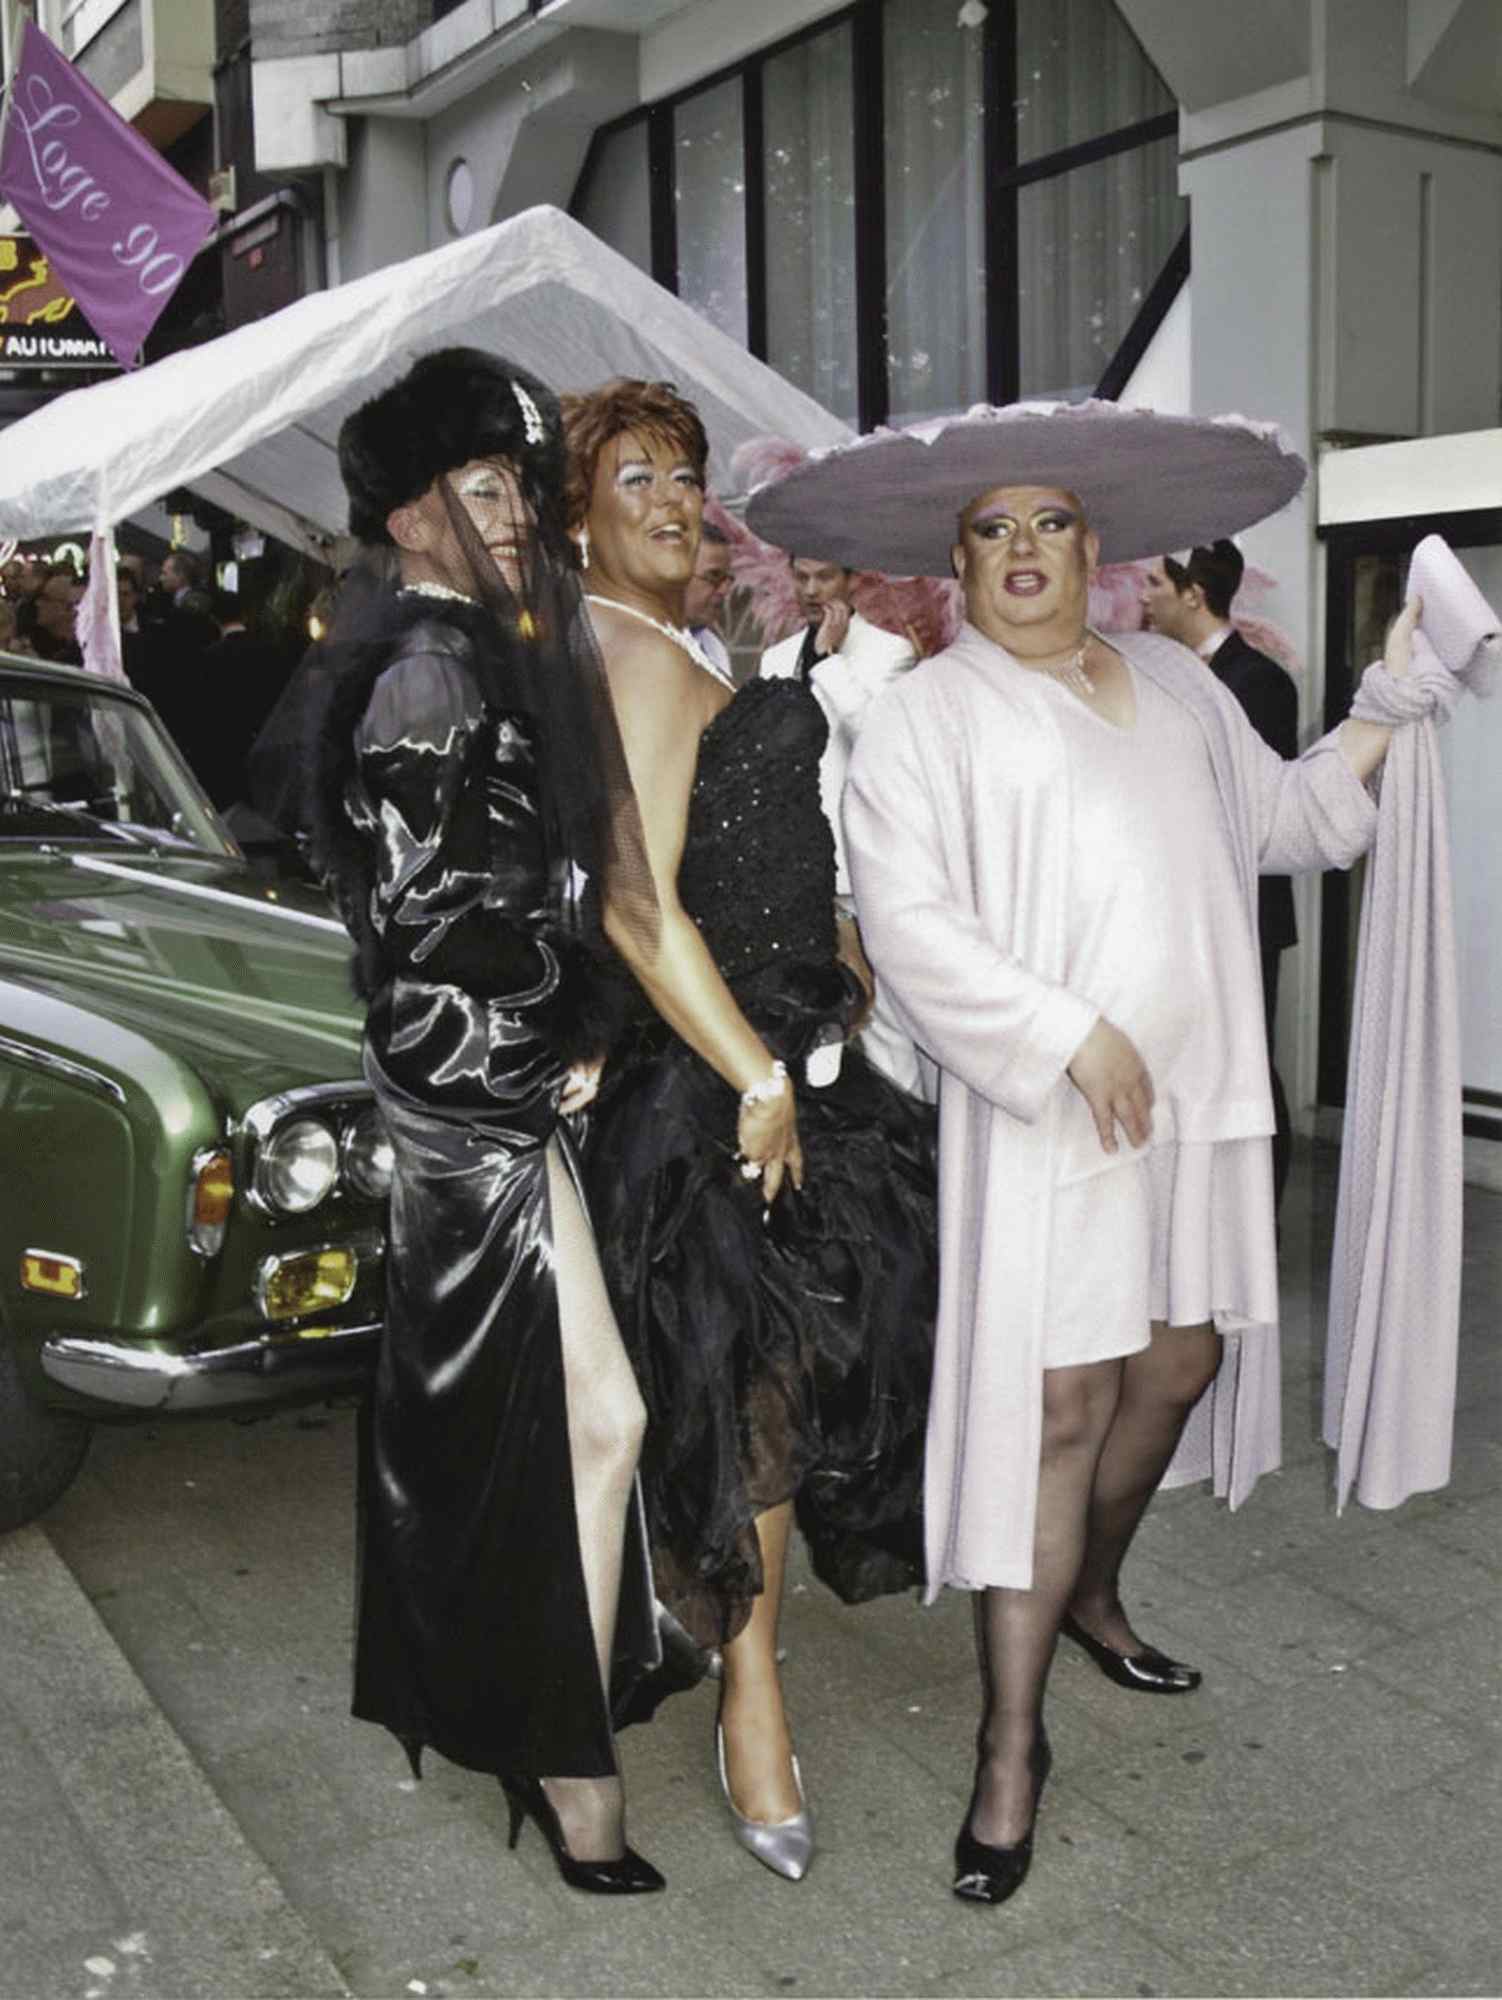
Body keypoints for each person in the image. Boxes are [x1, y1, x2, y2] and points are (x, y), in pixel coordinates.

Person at [748, 400, 1414, 1907]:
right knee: (1061, 1406)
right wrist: (1065, 1035)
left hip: (1201, 1098)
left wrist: (1386, 702)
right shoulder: (927, 716)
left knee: (1177, 1365)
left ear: (1092, 546)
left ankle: (1092, 1588)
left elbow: (1291, 819)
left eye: (1048, 523)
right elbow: (908, 927)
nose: (1022, 550)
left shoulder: (1174, 681)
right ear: (954, 563)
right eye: (991, 529)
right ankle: (1009, 1744)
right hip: (1051, 1108)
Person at [565, 378, 937, 1883]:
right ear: (577, 516)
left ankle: (729, 1657)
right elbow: (633, 900)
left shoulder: (683, 644)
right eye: (633, 477)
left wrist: (829, 942)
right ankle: (752, 1696)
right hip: (717, 1084)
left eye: (684, 475)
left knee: (804, 1366)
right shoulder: (622, 652)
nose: (671, 500)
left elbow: (731, 859)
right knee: (759, 1384)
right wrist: (754, 1077)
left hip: (781, 1051)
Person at [308, 347, 666, 1895]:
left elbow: (505, 896)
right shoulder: (430, 674)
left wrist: (567, 1016)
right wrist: (555, 1033)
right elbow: (433, 932)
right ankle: (561, 1751)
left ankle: (550, 1729)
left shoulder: (467, 653)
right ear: (408, 514)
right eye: (479, 487)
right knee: (577, 1421)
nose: (514, 512)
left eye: (519, 484)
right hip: (472, 1105)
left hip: (489, 1094)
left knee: (566, 1424)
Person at [1142, 540, 1299, 1212]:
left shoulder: (1259, 683)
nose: (1142, 596)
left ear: (1193, 594)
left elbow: (1250, 805)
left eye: (1155, 584)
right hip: (1183, 909)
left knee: (1250, 1063)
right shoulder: (1167, 678)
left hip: (1245, 910)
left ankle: (1261, 1212)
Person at [758, 555, 925, 1097]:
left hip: (865, 867)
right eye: (801, 576)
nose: (811, 589)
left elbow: (882, 745)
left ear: (853, 579)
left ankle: (905, 1133)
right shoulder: (776, 657)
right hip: (797, 869)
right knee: (808, 1027)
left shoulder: (890, 652)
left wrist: (830, 663)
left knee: (883, 1027)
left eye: (825, 576)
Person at [683, 517, 735, 682]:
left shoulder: (714, 647)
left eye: (728, 580)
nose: (724, 590)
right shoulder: (639, 643)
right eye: (713, 577)